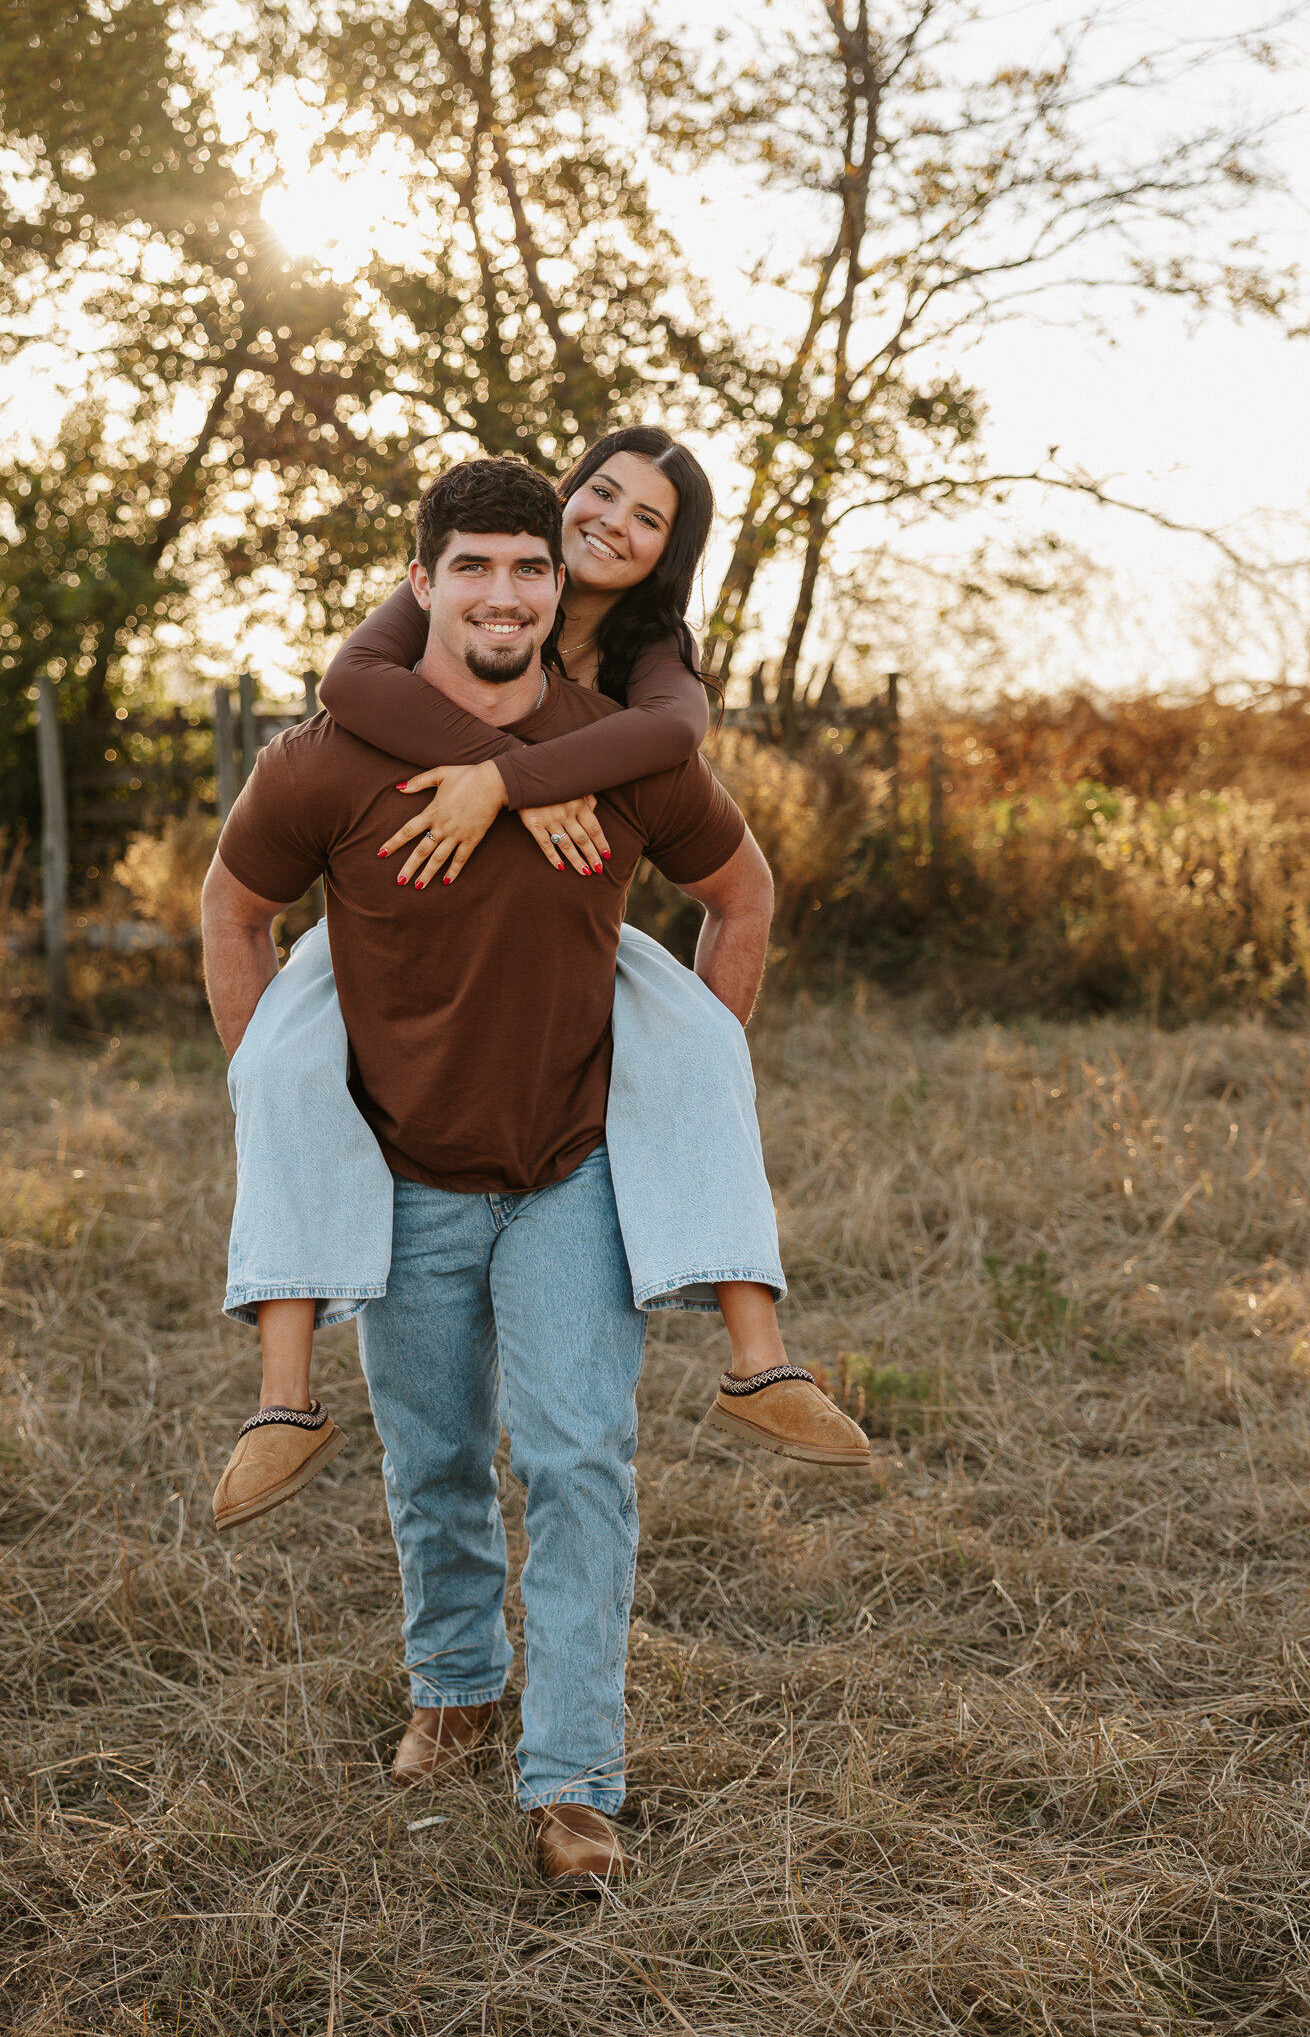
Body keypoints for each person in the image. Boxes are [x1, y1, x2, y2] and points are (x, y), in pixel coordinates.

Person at [202, 457, 867, 1886]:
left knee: (578, 1463)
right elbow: (234, 908)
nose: (502, 595)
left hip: (573, 1170)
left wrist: (681, 1072)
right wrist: (285, 1098)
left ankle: (572, 1782)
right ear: (423, 582)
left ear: (562, 589)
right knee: (437, 1458)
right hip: (405, 1175)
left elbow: (741, 895)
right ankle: (455, 1686)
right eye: (473, 569)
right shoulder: (325, 757)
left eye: (526, 571)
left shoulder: (623, 756)